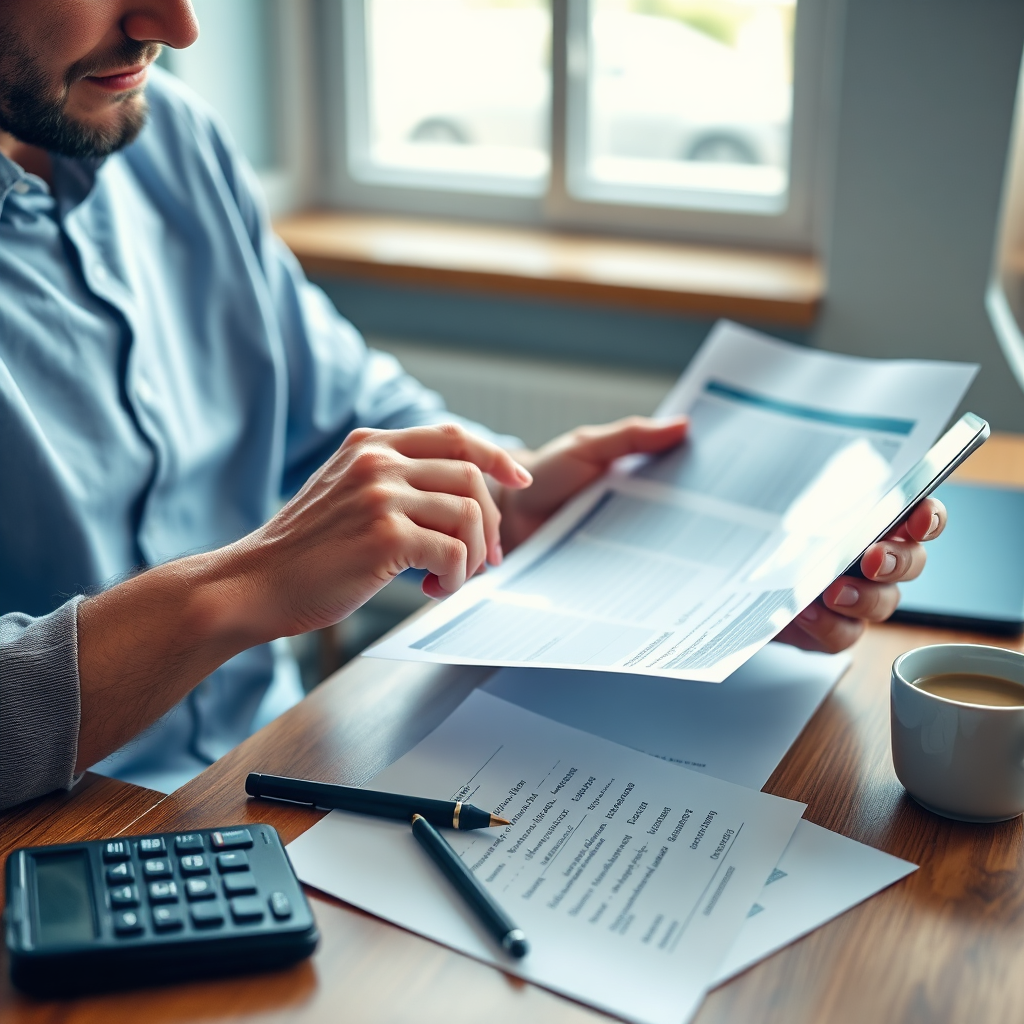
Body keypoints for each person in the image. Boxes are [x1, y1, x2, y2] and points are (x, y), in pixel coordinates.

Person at [0, 0, 947, 809]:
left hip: (266, 775)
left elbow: (342, 407)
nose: (179, 25)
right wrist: (239, 589)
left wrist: (534, 501)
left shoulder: (176, 140)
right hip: (58, 836)